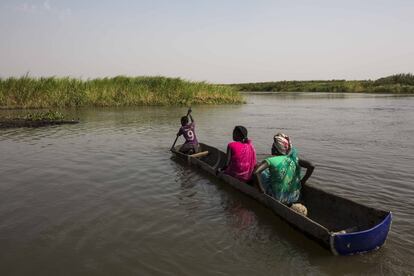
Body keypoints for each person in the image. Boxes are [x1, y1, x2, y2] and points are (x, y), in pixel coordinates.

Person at [254, 133, 314, 206]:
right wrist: (303, 181)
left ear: (277, 148)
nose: (271, 148)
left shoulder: (271, 160)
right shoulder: (294, 159)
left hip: (278, 197)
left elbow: (256, 172)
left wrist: (261, 190)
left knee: (262, 173)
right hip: (294, 197)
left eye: (273, 146)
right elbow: (311, 166)